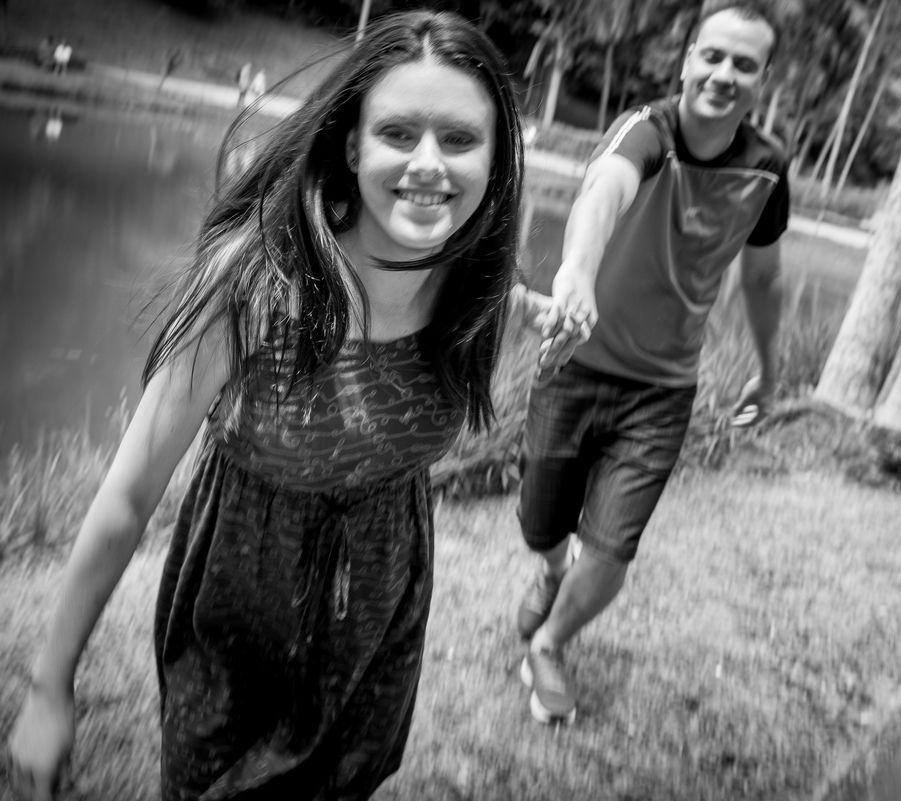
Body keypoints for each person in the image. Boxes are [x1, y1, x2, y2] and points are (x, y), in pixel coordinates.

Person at [4, 11, 575, 800]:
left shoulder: (473, 291)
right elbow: (130, 493)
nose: (429, 164)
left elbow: (504, 303)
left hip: (382, 609)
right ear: (353, 144)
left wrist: (548, 312)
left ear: (497, 158)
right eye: (400, 133)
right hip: (242, 607)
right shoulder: (252, 285)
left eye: (460, 139)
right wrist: (48, 687)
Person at [514, 1, 789, 725]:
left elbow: (763, 279)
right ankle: (548, 570)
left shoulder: (767, 168)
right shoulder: (647, 130)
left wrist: (768, 367)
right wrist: (576, 268)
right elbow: (604, 188)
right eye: (714, 56)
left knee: (612, 545)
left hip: (663, 389)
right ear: (689, 57)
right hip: (575, 360)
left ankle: (549, 643)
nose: (724, 75)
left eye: (744, 64)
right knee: (541, 522)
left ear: (763, 79)